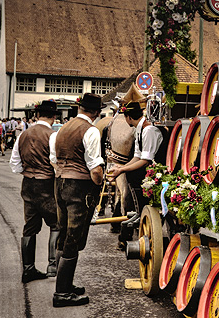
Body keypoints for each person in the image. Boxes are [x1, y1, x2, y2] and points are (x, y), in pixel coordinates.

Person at [49, 93, 104, 307]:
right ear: (97, 112)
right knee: (74, 237)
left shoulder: (63, 128)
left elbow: (53, 159)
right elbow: (95, 168)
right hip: (78, 187)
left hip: (60, 184)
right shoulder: (90, 130)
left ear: (80, 108)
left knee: (64, 234)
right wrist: (98, 184)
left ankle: (65, 285)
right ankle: (62, 293)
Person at [9, 100, 64, 284]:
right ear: (54, 116)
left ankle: (28, 269)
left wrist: (28, 172)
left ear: (36, 115)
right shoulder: (53, 135)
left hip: (28, 185)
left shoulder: (23, 135)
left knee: (30, 227)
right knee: (56, 224)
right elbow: (56, 164)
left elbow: (14, 164)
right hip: (46, 185)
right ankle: (52, 265)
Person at [108, 101, 164, 246]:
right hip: (146, 166)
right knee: (129, 174)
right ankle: (136, 213)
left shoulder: (148, 130)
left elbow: (145, 160)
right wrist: (122, 168)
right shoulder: (139, 128)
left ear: (128, 117)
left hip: (156, 170)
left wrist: (122, 169)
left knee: (134, 175)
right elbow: (136, 156)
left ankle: (140, 215)